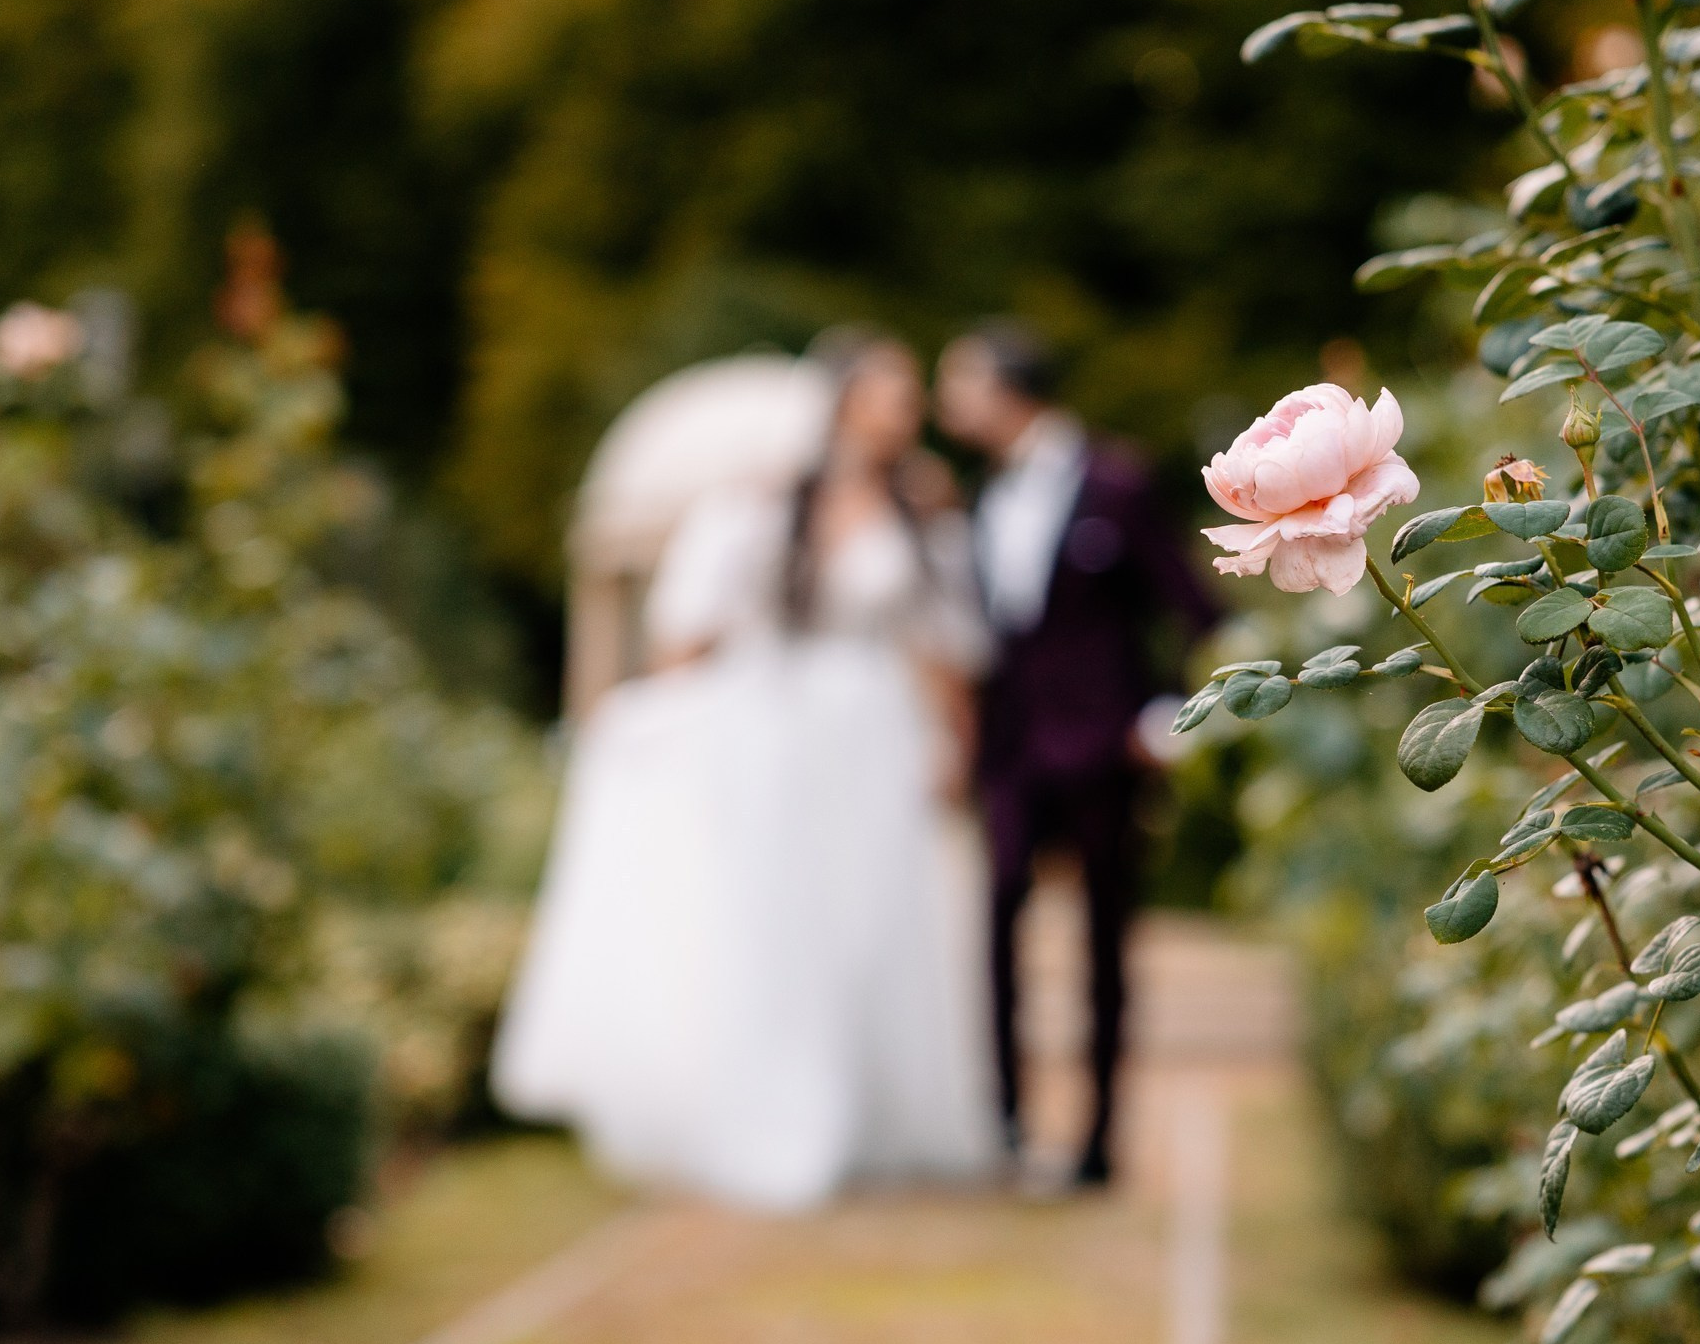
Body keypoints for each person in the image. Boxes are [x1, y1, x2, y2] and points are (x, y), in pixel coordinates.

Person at [491, 329, 997, 1211]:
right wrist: (669, 718)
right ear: (840, 401)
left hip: (876, 733)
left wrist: (952, 739)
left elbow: (945, 644)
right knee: (787, 922)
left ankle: (877, 1117)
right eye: (889, 391)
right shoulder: (759, 507)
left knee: (877, 918)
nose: (906, 409)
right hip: (779, 737)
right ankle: (782, 1113)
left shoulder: (919, 510)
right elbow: (687, 631)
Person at [935, 322, 1217, 1187]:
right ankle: (1010, 1127)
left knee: (1105, 940)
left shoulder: (1116, 483)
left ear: (1009, 390)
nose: (949, 406)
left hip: (1103, 752)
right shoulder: (979, 497)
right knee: (996, 931)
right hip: (1013, 755)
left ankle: (1099, 1141)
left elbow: (1194, 608)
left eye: (961, 385)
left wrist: (1168, 714)